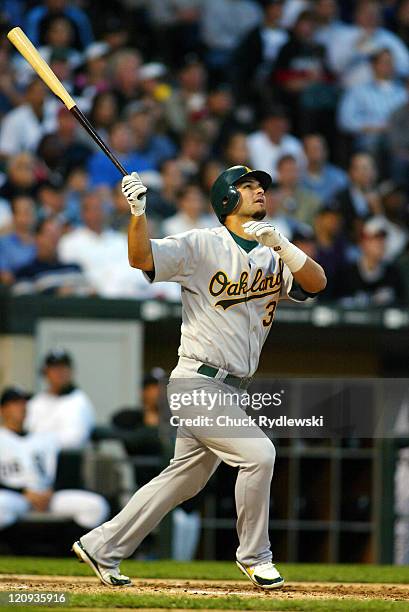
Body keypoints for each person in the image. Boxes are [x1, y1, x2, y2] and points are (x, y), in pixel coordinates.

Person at [72, 164, 326, 588]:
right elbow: (141, 258)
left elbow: (317, 284)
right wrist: (137, 213)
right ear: (227, 199)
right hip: (197, 381)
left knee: (182, 480)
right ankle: (255, 555)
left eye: (261, 185)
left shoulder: (271, 250)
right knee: (260, 455)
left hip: (233, 389)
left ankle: (102, 546)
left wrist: (283, 245)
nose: (259, 191)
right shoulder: (202, 244)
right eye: (248, 186)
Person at [0, 386, 109, 531]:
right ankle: (11, 547)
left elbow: (62, 470)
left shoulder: (44, 438)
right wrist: (24, 492)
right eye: (15, 403)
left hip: (48, 496)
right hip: (14, 497)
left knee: (96, 506)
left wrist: (51, 490)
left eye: (24, 402)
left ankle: (68, 548)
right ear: (3, 409)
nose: (22, 407)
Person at [25, 349, 96, 450]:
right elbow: (24, 430)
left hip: (66, 462)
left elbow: (73, 441)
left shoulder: (79, 402)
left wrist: (36, 442)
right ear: (46, 372)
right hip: (34, 459)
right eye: (54, 368)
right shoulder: (37, 402)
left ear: (71, 371)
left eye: (63, 368)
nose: (59, 373)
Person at [337, 217, 405, 306]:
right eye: (375, 239)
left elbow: (402, 305)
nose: (380, 243)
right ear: (363, 242)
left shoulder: (393, 273)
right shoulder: (346, 273)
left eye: (383, 239)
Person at [13, 218, 89, 296]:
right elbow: (24, 303)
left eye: (57, 234)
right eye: (49, 234)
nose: (54, 238)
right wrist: (56, 293)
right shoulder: (25, 273)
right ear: (37, 238)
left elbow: (88, 294)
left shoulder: (74, 268)